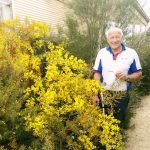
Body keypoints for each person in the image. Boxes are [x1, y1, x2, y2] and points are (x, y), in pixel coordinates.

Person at [93, 27, 142, 128]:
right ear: (108, 40)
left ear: (121, 38)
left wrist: (126, 77)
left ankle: (118, 142)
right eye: (112, 37)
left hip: (122, 95)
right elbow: (97, 74)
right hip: (104, 94)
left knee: (118, 123)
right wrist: (94, 94)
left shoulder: (131, 53)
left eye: (117, 37)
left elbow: (138, 73)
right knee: (103, 123)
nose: (114, 40)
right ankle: (106, 144)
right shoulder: (102, 53)